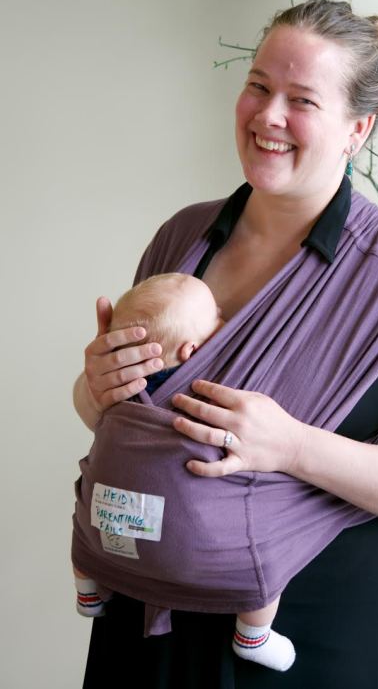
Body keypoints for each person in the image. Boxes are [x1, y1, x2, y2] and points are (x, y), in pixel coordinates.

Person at [73, 0, 378, 688]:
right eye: (258, 86)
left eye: (302, 100)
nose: (268, 115)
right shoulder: (183, 238)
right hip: (145, 608)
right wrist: (96, 388)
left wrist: (292, 447)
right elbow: (124, 422)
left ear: (357, 128)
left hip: (301, 627)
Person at [73, 272, 296, 671]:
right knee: (267, 561)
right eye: (216, 315)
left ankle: (87, 590)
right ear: (192, 351)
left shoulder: (118, 390)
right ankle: (253, 635)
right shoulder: (214, 389)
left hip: (103, 535)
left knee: (82, 508)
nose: (224, 316)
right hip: (184, 546)